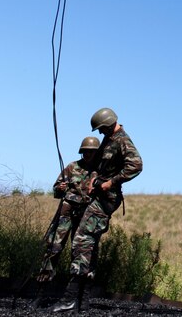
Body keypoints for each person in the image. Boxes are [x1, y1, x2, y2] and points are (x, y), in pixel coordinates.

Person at [53, 108, 143, 313]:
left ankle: (69, 298)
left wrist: (110, 182)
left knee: (81, 241)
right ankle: (82, 302)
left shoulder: (122, 140)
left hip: (106, 200)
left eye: (102, 129)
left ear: (110, 124)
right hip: (97, 198)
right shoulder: (110, 139)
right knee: (89, 247)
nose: (100, 133)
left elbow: (136, 166)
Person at [35, 137, 100, 286]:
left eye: (92, 152)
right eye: (86, 152)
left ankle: (76, 290)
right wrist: (61, 188)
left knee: (81, 251)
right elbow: (56, 190)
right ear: (82, 152)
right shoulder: (72, 167)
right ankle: (42, 284)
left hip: (87, 216)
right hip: (66, 213)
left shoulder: (100, 171)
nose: (89, 155)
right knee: (54, 246)